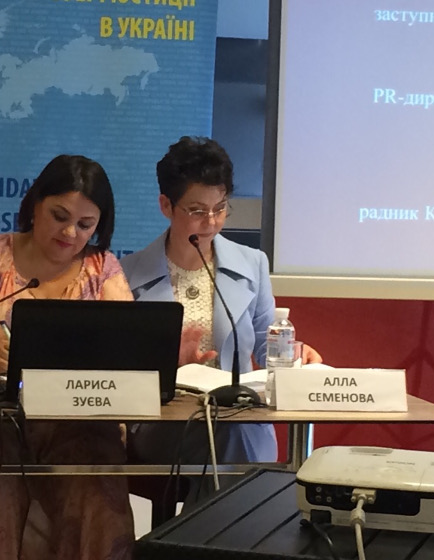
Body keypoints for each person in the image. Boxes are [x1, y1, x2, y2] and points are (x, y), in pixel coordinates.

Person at [0, 155, 135, 560]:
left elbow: (127, 350)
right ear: (35, 205)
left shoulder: (102, 269)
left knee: (97, 485)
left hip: (72, 421)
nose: (70, 233)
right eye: (59, 216)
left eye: (85, 224)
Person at [120, 136, 322, 495]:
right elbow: (119, 366)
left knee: (229, 433)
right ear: (166, 205)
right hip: (165, 423)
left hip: (237, 421)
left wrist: (294, 353)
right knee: (224, 445)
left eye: (220, 208)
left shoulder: (252, 264)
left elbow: (266, 345)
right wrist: (167, 364)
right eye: (197, 211)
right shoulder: (128, 273)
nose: (211, 222)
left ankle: (201, 526)